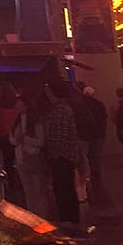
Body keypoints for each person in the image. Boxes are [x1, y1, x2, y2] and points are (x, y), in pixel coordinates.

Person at [44, 80, 82, 223]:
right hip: (67, 155)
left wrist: (52, 155)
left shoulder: (59, 110)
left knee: (63, 189)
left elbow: (58, 136)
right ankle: (72, 219)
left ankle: (68, 219)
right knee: (68, 188)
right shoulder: (65, 108)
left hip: (61, 156)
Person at [76, 84, 108, 206]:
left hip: (85, 135)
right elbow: (104, 118)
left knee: (84, 157)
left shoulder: (80, 105)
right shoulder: (99, 104)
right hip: (99, 134)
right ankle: (96, 174)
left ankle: (87, 177)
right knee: (95, 156)